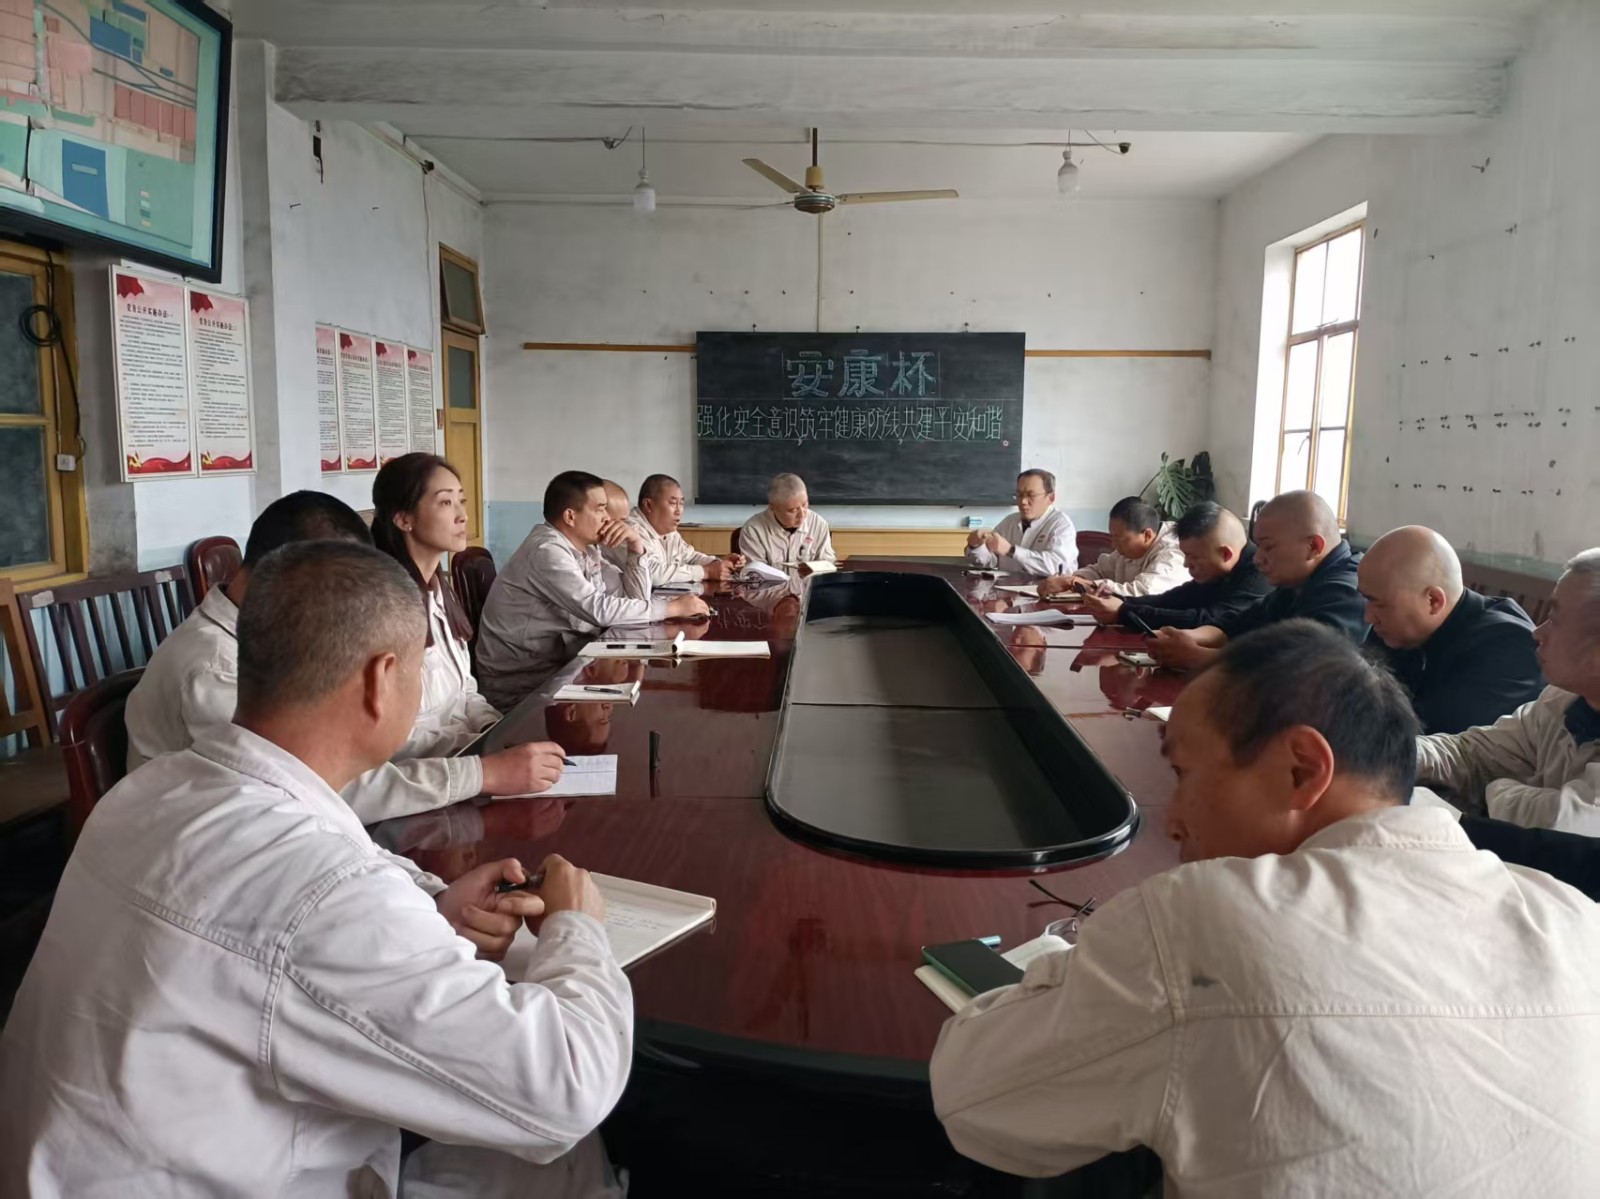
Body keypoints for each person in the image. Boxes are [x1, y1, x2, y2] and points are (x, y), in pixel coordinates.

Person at [0, 541, 634, 1196]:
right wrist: (576, 927)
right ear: (380, 680)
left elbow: (317, 882)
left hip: (78, 1167)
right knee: (562, 1154)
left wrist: (434, 903)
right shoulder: (323, 890)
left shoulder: (153, 786)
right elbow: (568, 1087)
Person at [930, 620, 1600, 1194]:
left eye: (1182, 774)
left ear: (1302, 768)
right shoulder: (1573, 917)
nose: (1174, 820)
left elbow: (973, 1096)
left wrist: (1089, 958)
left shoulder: (1203, 921)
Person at [126, 488, 568, 825]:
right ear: (284, 573)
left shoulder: (278, 631)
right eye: (337, 586)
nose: (344, 605)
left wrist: (468, 751)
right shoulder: (215, 667)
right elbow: (318, 785)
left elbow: (344, 744)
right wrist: (479, 775)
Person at [477, 471, 709, 704]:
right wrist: (672, 608)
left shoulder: (587, 550)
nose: (608, 519)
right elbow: (597, 609)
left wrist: (636, 546)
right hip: (524, 687)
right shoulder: (547, 551)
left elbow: (634, 599)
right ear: (570, 516)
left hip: (562, 668)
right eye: (600, 509)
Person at [1415, 548, 1600, 833]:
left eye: (1554, 619)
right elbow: (1473, 755)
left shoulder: (1500, 643)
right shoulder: (1560, 701)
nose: (1537, 632)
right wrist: (1392, 753)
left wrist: (1496, 789)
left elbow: (1567, 823)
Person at [1146, 490, 1365, 671]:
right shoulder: (1296, 582)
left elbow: (1300, 667)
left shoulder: (1350, 588)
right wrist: (1188, 636)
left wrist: (1197, 657)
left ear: (1313, 547)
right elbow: (1241, 624)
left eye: (1268, 547)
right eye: (1258, 546)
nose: (1258, 558)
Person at [1359, 525, 1543, 734]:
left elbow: (1422, 735)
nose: (1368, 617)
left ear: (1433, 601)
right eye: (1366, 599)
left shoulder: (1508, 647)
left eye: (1379, 604)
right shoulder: (1397, 630)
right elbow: (1352, 692)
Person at [1080, 502, 1270, 630]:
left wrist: (1124, 612)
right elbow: (1175, 599)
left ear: (1226, 554)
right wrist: (1120, 601)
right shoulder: (1217, 571)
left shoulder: (1259, 574)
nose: (1186, 564)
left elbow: (1207, 620)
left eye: (1193, 557)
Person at [1039, 497, 1187, 598]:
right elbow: (1100, 570)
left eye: (1119, 538)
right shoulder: (1127, 549)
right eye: (1112, 537)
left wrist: (1073, 583)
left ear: (1147, 535)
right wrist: (1070, 579)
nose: (1113, 545)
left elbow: (1143, 592)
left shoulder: (1172, 552)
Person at [627, 473, 744, 585]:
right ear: (648, 505)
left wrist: (718, 563)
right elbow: (650, 574)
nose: (679, 511)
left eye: (681, 504)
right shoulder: (630, 531)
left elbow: (690, 557)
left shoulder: (668, 531)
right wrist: (705, 572)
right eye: (673, 503)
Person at [964, 469, 1078, 577]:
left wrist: (1011, 551)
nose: (1023, 501)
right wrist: (975, 546)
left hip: (1044, 590)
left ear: (1050, 498)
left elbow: (1057, 567)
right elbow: (990, 561)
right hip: (1008, 588)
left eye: (1031, 495)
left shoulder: (1061, 524)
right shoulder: (1010, 521)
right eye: (1019, 495)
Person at [737, 473, 836, 568]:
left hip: (810, 580)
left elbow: (827, 565)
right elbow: (756, 573)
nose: (802, 515)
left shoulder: (818, 524)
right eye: (793, 510)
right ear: (773, 508)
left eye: (804, 504)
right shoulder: (753, 530)